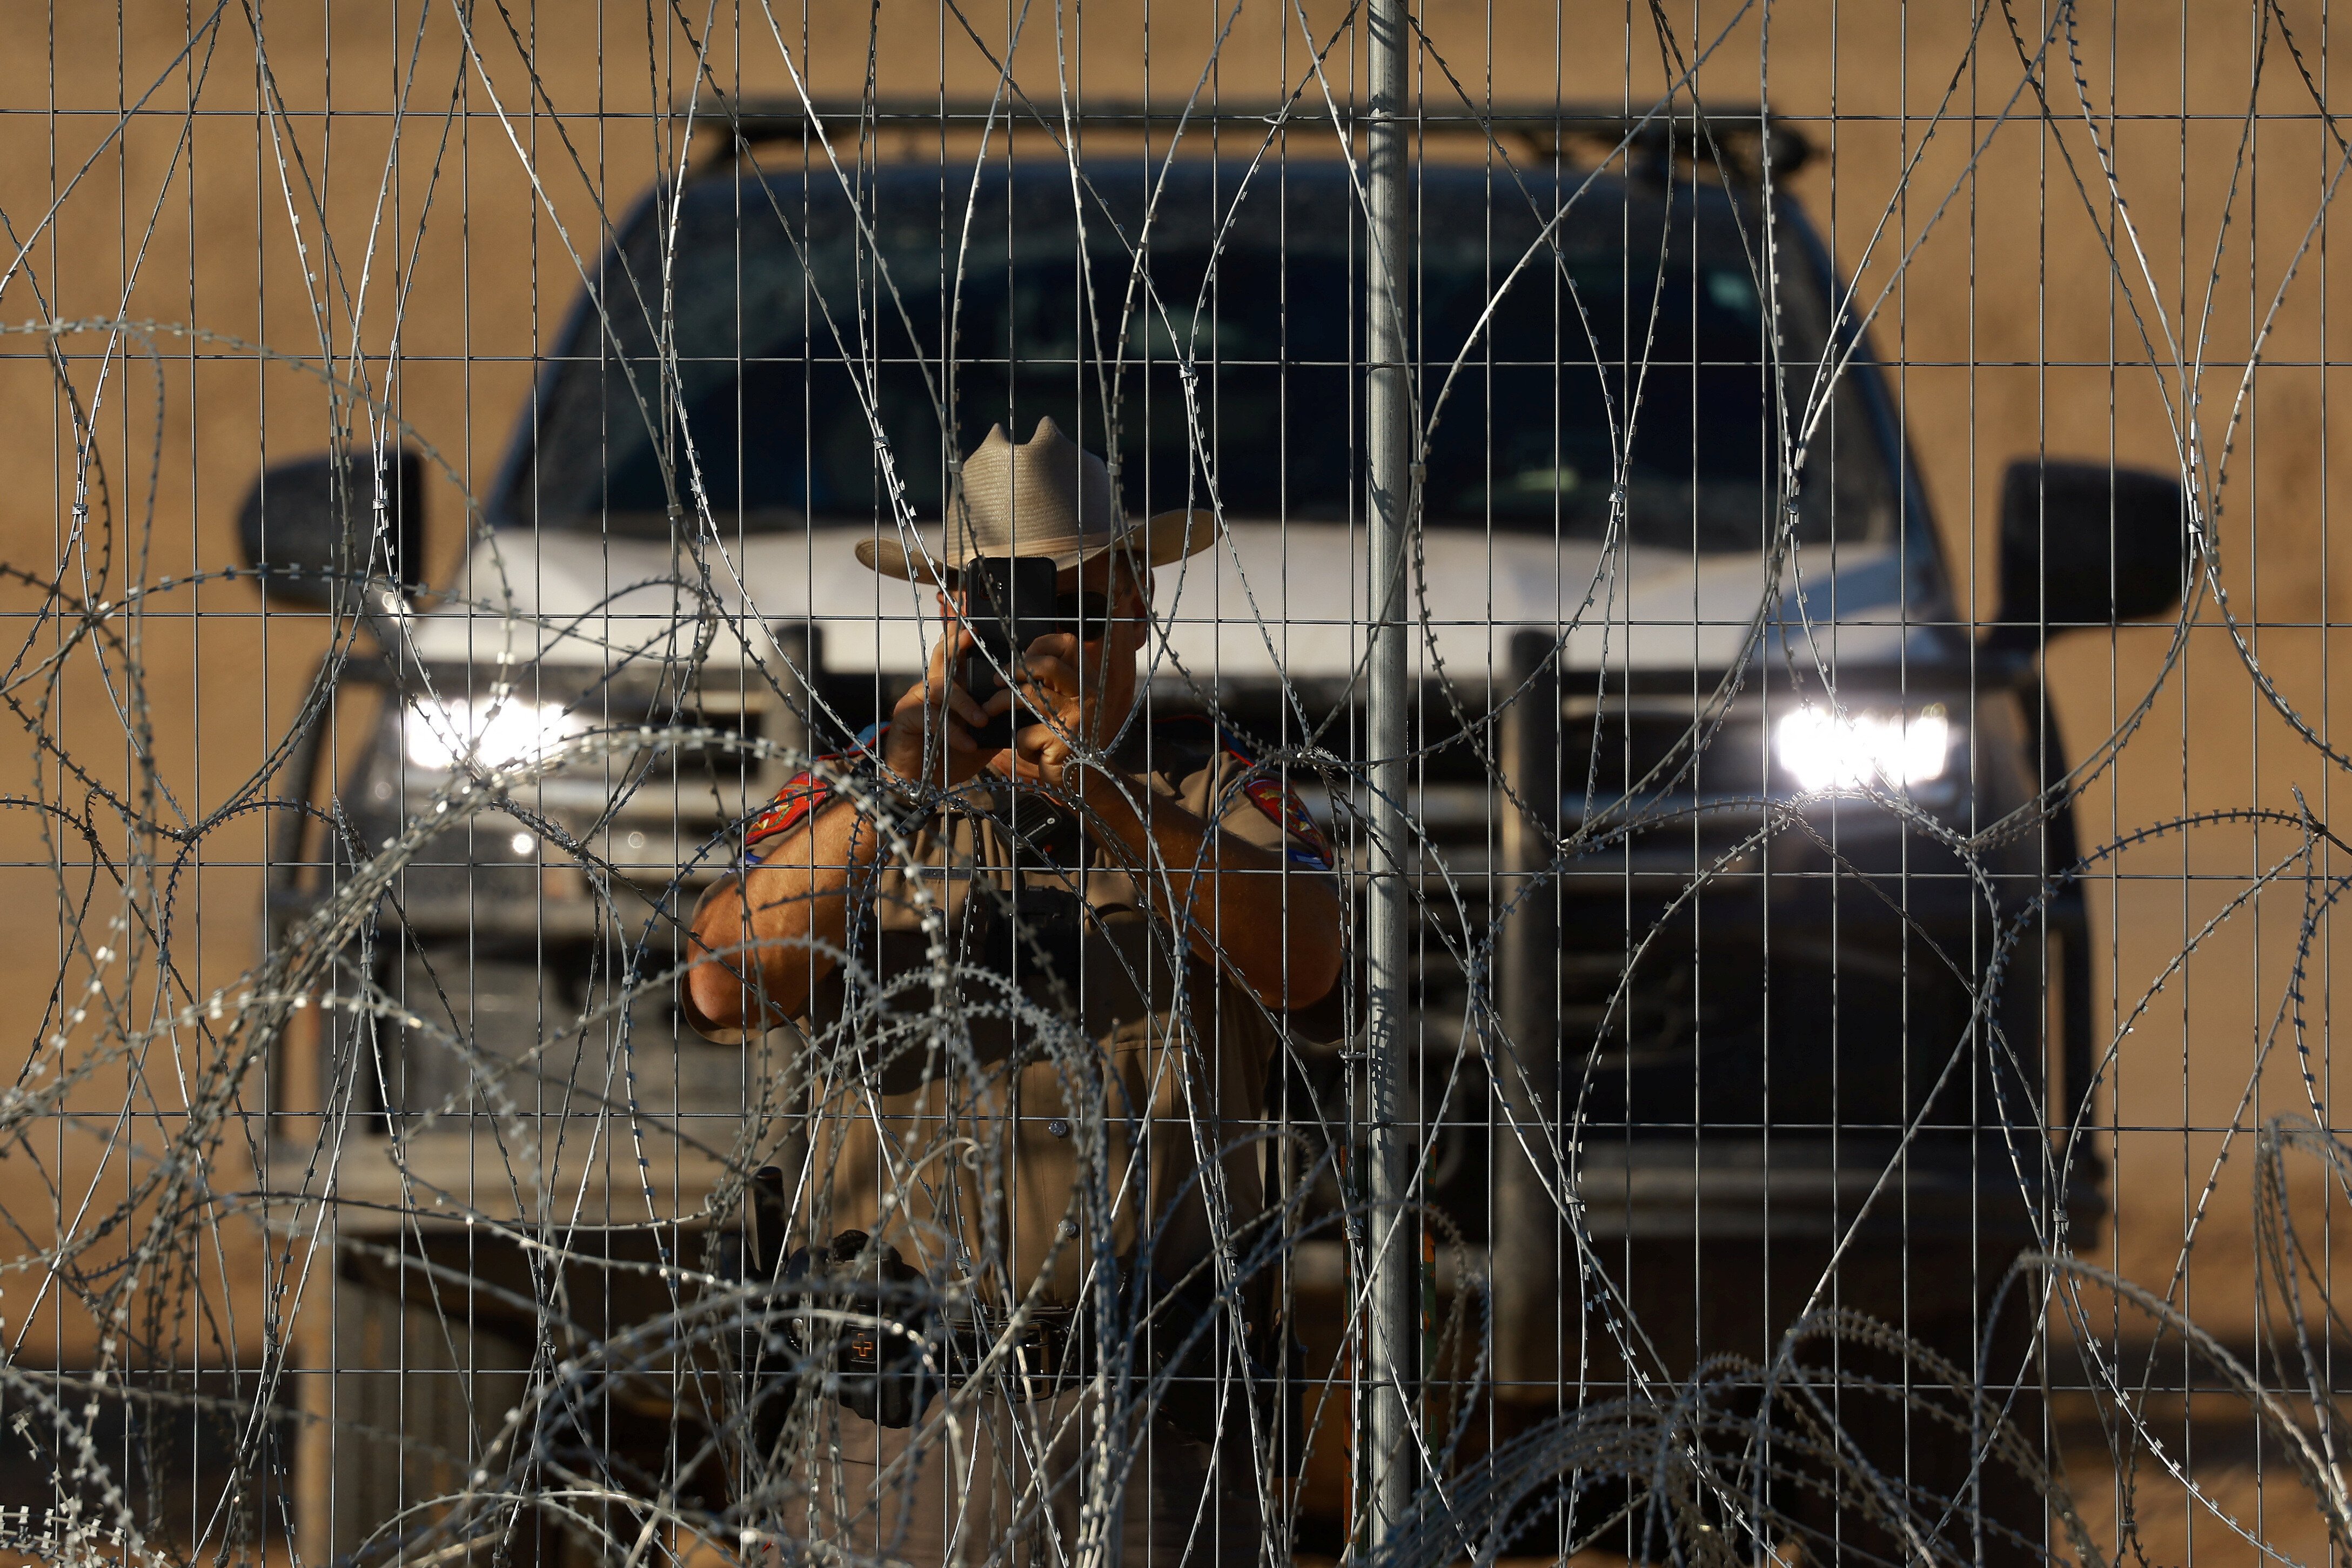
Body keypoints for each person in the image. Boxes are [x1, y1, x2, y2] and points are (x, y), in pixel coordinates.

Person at [681, 417, 1344, 1565]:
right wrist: (894, 793)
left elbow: (1307, 954)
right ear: (952, 615)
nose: (1039, 641)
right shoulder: (862, 790)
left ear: (1135, 605)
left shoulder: (1210, 784)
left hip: (1149, 1412)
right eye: (1003, 609)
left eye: (1074, 604)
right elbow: (724, 978)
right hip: (894, 1399)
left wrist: (1113, 803)